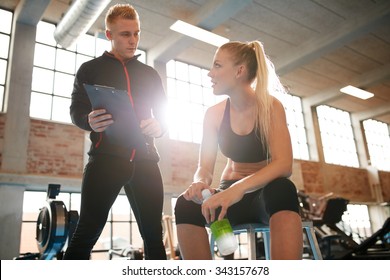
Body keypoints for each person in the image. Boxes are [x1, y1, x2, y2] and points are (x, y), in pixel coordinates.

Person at [174, 41, 303, 260]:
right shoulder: (213, 114)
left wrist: (239, 189)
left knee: (284, 188)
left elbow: (284, 164)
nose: (209, 73)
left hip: (265, 196)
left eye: (217, 65)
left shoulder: (271, 107)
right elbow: (204, 167)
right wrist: (200, 183)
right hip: (228, 200)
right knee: (185, 203)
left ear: (239, 71)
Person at [64, 4, 167, 260]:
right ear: (109, 35)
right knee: (86, 232)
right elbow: (76, 109)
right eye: (125, 34)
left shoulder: (150, 74)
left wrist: (160, 126)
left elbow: (164, 116)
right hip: (106, 158)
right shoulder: (90, 69)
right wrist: (88, 120)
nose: (133, 40)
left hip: (145, 159)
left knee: (154, 236)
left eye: (136, 33)